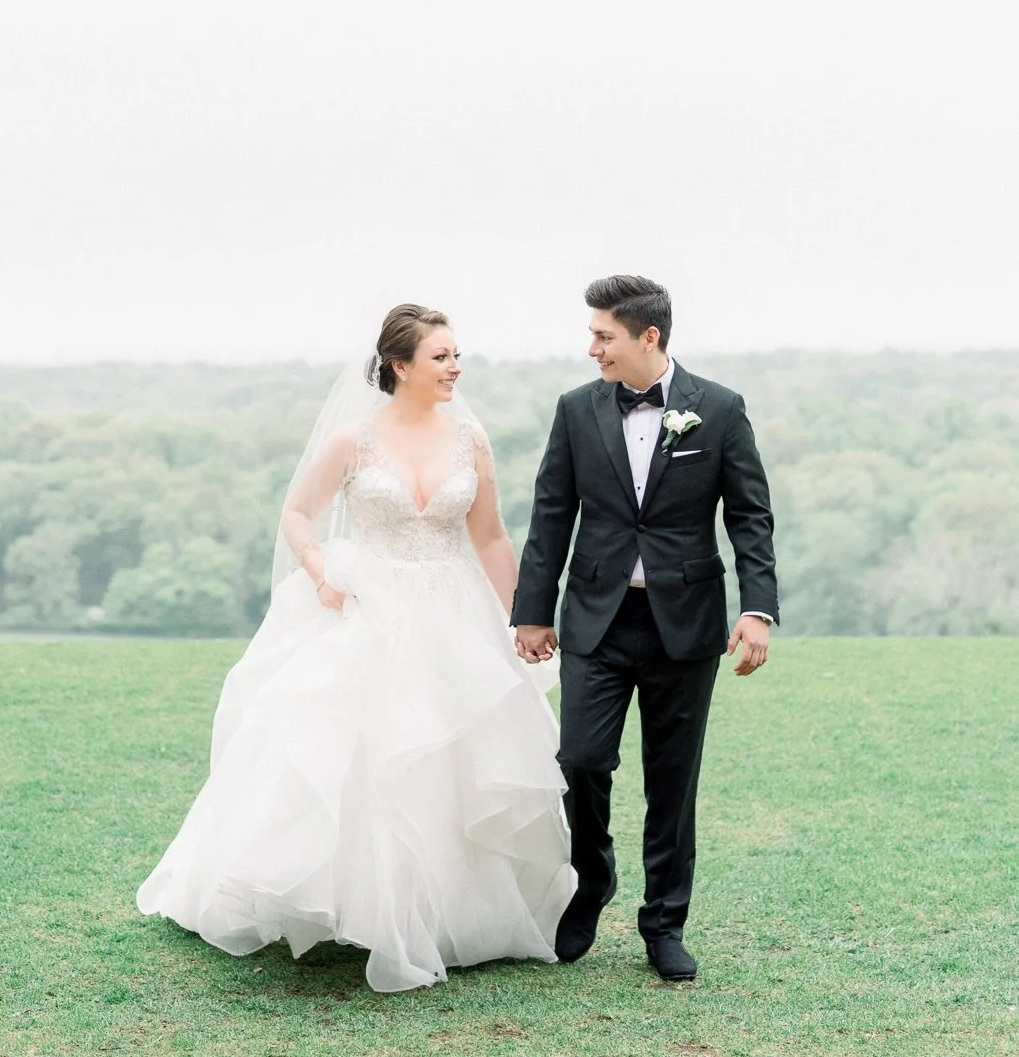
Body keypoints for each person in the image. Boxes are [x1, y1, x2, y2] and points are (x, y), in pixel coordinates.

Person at [137, 303, 575, 993]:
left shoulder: (470, 439)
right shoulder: (353, 439)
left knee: (452, 758)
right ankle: (351, 905)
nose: (455, 367)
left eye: (457, 355)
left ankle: (447, 914)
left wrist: (524, 618)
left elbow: (489, 536)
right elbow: (296, 512)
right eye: (440, 357)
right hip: (368, 606)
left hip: (451, 610)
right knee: (359, 755)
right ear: (399, 365)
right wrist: (318, 569)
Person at [512, 274, 779, 980]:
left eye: (603, 335)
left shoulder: (717, 409)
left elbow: (749, 516)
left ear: (647, 336)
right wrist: (532, 611)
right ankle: (589, 881)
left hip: (684, 627)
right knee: (579, 759)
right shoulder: (575, 410)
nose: (592, 348)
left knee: (671, 781)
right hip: (595, 622)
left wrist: (757, 609)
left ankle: (663, 922)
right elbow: (550, 514)